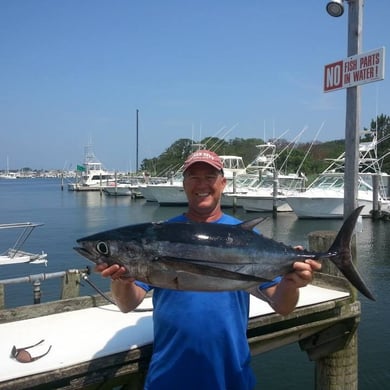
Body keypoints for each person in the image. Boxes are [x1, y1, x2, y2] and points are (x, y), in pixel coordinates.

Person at [95, 149, 322, 390]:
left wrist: (291, 283)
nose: (201, 184)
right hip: (169, 379)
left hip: (231, 378)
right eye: (194, 177)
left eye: (210, 177)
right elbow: (126, 304)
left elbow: (283, 306)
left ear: (223, 183)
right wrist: (121, 280)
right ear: (184, 184)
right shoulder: (158, 236)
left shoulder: (246, 237)